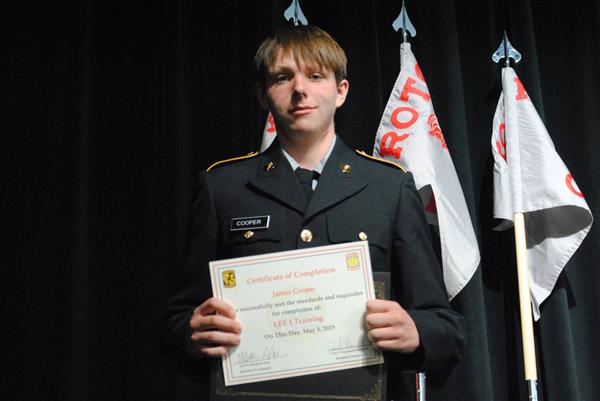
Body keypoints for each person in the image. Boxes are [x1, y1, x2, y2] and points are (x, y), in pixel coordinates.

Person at [159, 24, 465, 399]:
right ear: (262, 95)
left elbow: (446, 328)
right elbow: (176, 322)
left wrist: (417, 332)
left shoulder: (390, 187)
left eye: (315, 76)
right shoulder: (223, 187)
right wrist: (191, 335)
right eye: (283, 78)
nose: (300, 89)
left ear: (341, 91)